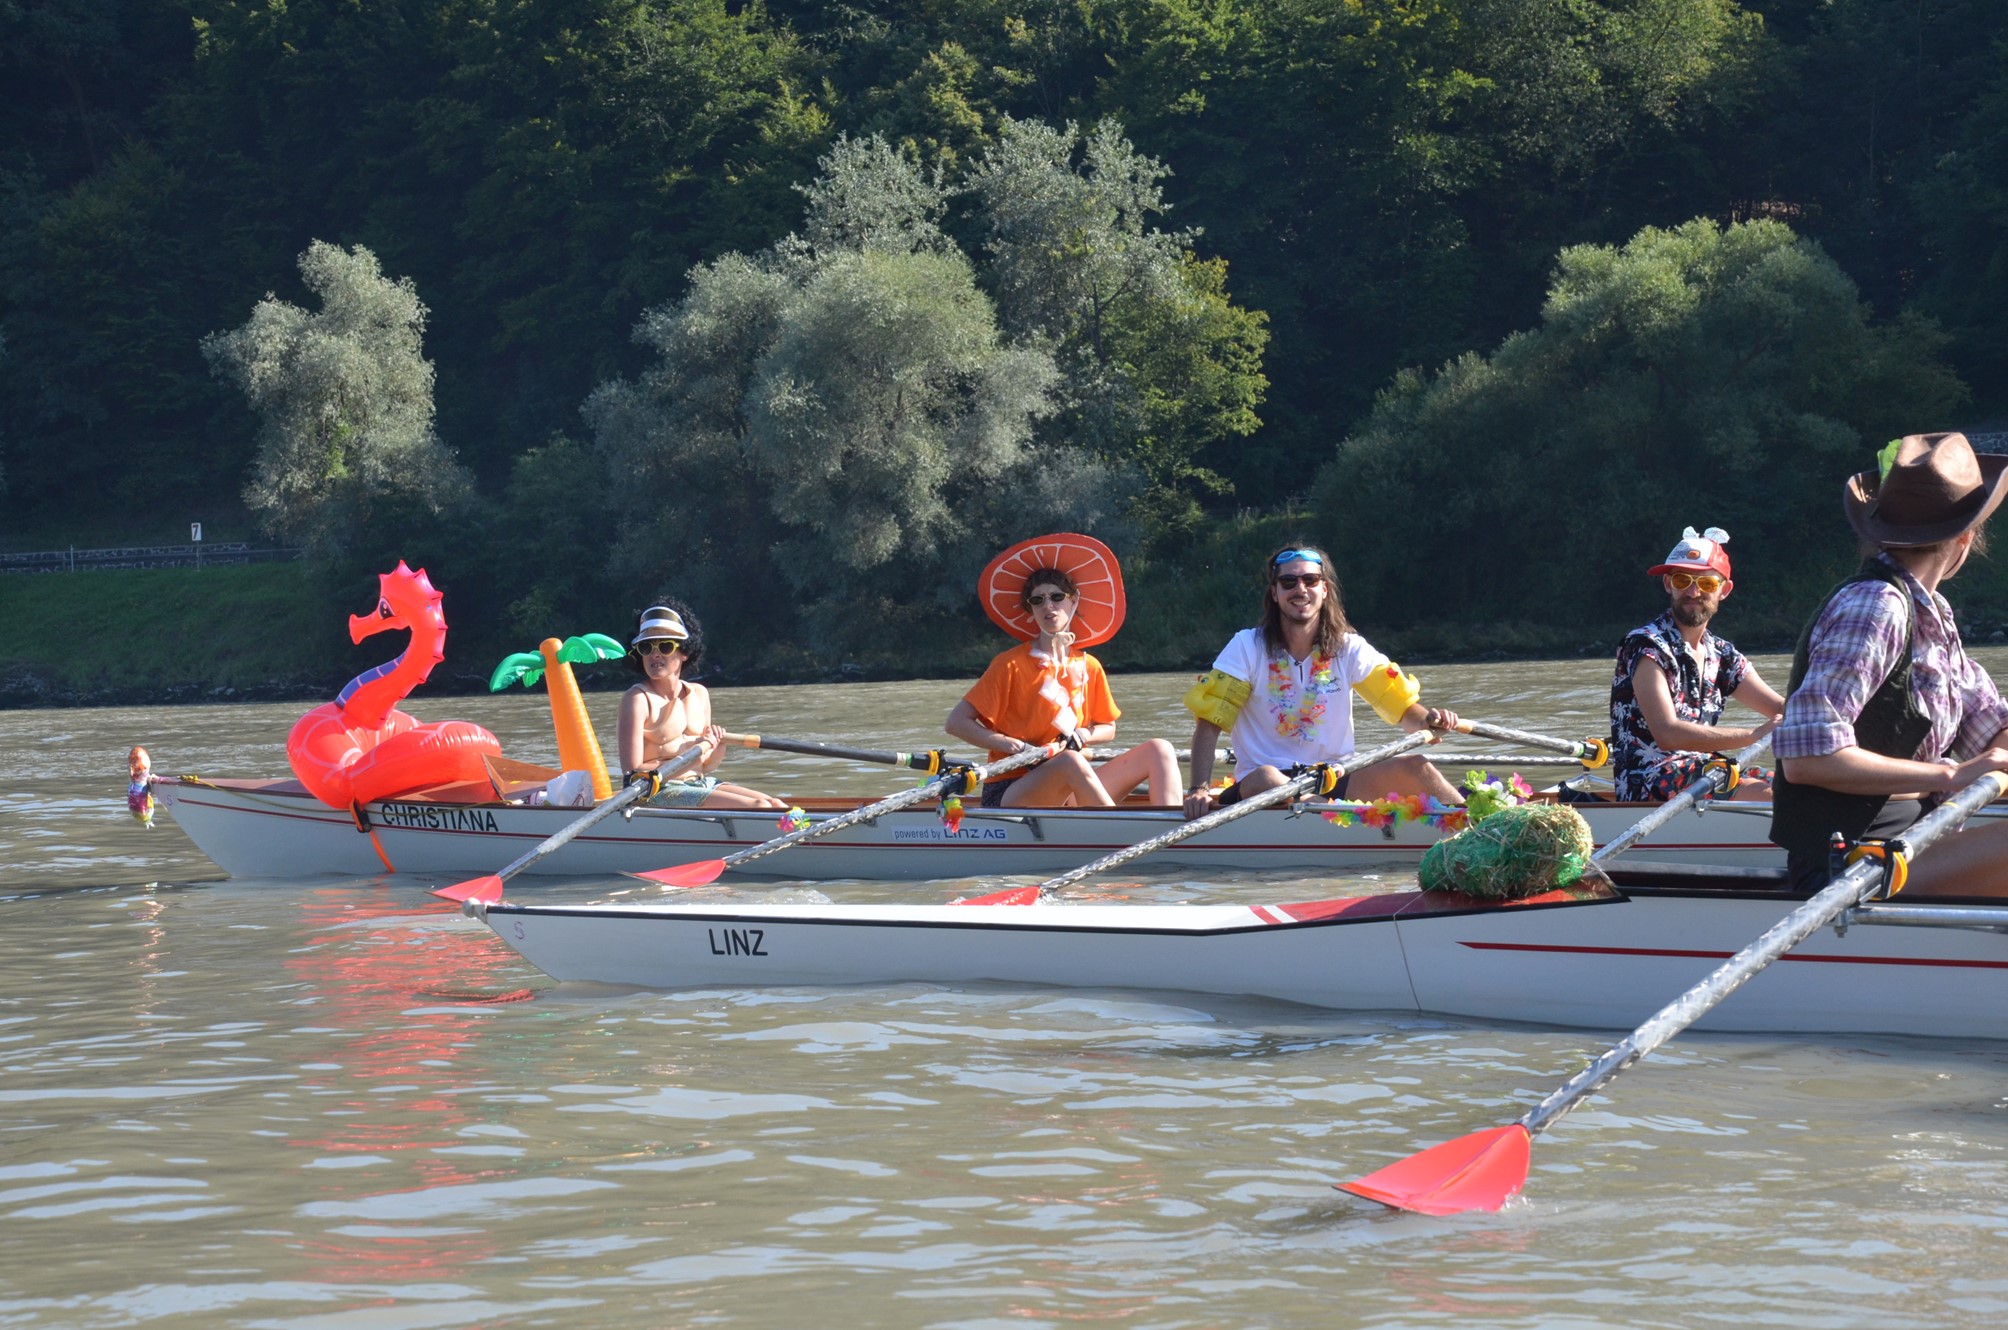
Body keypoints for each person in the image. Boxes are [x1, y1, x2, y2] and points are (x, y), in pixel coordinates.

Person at [1770, 432, 2008, 898]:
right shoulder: (1876, 606)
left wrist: (1995, 757)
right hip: (1850, 864)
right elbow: (1806, 759)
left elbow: (1991, 723)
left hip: (1912, 844)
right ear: (1965, 537)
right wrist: (1952, 776)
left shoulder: (1932, 614)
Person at [1182, 545, 1463, 820]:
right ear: (1275, 593)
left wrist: (1429, 721)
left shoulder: (1350, 648)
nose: (1300, 589)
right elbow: (1210, 724)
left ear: (1324, 589)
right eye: (1289, 582)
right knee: (1266, 776)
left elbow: (1403, 709)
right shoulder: (1246, 646)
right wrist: (1198, 790)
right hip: (1263, 787)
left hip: (1333, 777)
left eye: (1310, 580)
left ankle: (1474, 828)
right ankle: (1328, 814)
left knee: (1417, 766)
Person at [945, 534, 1180, 807]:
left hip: (1072, 782)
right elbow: (956, 723)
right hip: (1012, 787)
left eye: (1057, 597)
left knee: (1160, 749)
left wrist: (1084, 735)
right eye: (1037, 600)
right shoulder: (1008, 664)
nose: (1048, 606)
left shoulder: (1090, 665)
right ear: (1030, 610)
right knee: (1071, 761)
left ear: (1073, 600)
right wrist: (1015, 746)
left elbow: (1108, 728)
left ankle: (1172, 827)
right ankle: (1119, 828)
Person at [1609, 526, 1784, 802]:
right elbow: (1667, 733)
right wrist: (1755, 734)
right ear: (1668, 584)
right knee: (1777, 797)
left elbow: (1782, 708)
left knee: (1804, 788)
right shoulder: (1645, 645)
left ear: (1724, 590)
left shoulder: (1723, 654)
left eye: (1707, 584)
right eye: (1682, 580)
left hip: (1704, 772)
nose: (1693, 592)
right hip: (1650, 781)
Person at [616, 601, 786, 810]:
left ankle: (799, 830)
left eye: (665, 646)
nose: (655, 654)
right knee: (760, 806)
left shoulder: (700, 694)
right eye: (646, 647)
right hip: (657, 792)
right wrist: (693, 755)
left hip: (700, 783)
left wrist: (717, 747)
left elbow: (705, 766)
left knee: (776, 805)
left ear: (685, 652)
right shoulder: (637, 699)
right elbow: (632, 774)